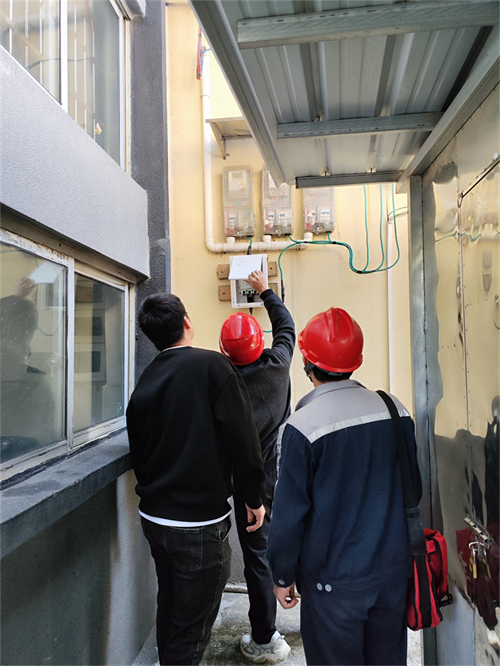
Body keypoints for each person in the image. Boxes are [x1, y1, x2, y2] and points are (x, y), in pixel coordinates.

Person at [267, 307, 422, 666]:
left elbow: (288, 516)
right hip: (392, 574)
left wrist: (282, 575)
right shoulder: (394, 409)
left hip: (333, 584)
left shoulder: (302, 426)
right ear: (357, 360)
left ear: (306, 361)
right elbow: (412, 489)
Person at [126, 292, 266, 666]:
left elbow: (138, 450)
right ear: (187, 322)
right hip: (197, 525)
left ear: (150, 337)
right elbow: (244, 441)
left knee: (171, 607)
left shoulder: (146, 378)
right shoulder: (214, 367)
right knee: (192, 628)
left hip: (154, 518)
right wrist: (254, 498)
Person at [219, 270, 295, 663]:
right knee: (302, 539)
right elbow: (286, 327)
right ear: (260, 343)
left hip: (252, 488)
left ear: (224, 352)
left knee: (258, 558)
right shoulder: (279, 364)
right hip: (292, 474)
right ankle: (316, 614)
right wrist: (266, 291)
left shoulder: (224, 385)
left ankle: (265, 639)